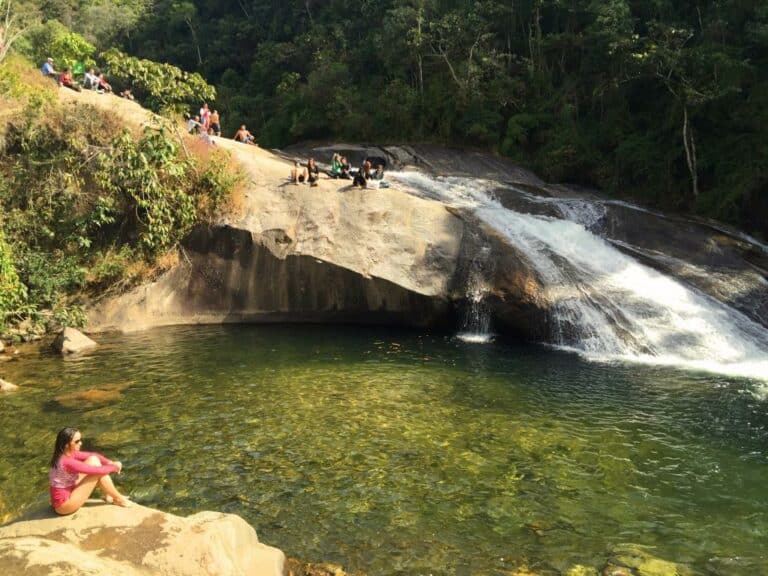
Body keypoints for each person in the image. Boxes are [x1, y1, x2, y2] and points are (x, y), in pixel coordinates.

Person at [48, 427, 130, 515]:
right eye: (77, 441)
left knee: (93, 459)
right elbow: (97, 471)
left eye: (80, 440)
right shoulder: (66, 461)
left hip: (70, 489)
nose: (80, 443)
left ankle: (110, 495)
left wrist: (110, 462)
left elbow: (93, 455)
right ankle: (119, 499)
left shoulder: (66, 453)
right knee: (97, 473)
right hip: (64, 506)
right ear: (66, 445)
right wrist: (114, 467)